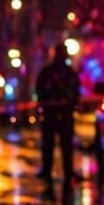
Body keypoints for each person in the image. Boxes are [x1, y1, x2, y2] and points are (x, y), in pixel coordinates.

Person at [35, 42, 81, 182]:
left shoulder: (69, 73)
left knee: (66, 145)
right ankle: (47, 170)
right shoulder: (48, 72)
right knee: (49, 144)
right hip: (51, 114)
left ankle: (68, 171)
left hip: (64, 114)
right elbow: (40, 90)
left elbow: (75, 92)